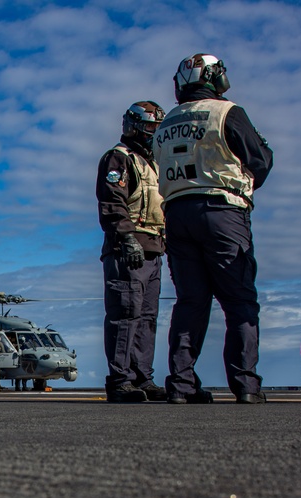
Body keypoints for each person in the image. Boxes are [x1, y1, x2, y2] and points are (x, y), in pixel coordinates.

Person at [154, 53, 274, 404]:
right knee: (240, 301)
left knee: (190, 302)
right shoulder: (227, 112)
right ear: (217, 78)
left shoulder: (166, 122)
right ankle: (246, 385)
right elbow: (261, 160)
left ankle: (181, 384)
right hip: (223, 212)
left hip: (176, 212)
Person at [96, 101, 168, 403]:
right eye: (150, 128)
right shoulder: (119, 159)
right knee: (125, 313)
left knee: (147, 317)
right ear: (135, 127)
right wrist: (126, 238)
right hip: (127, 250)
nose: (154, 133)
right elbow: (113, 201)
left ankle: (142, 377)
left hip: (154, 249)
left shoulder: (152, 163)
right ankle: (120, 380)